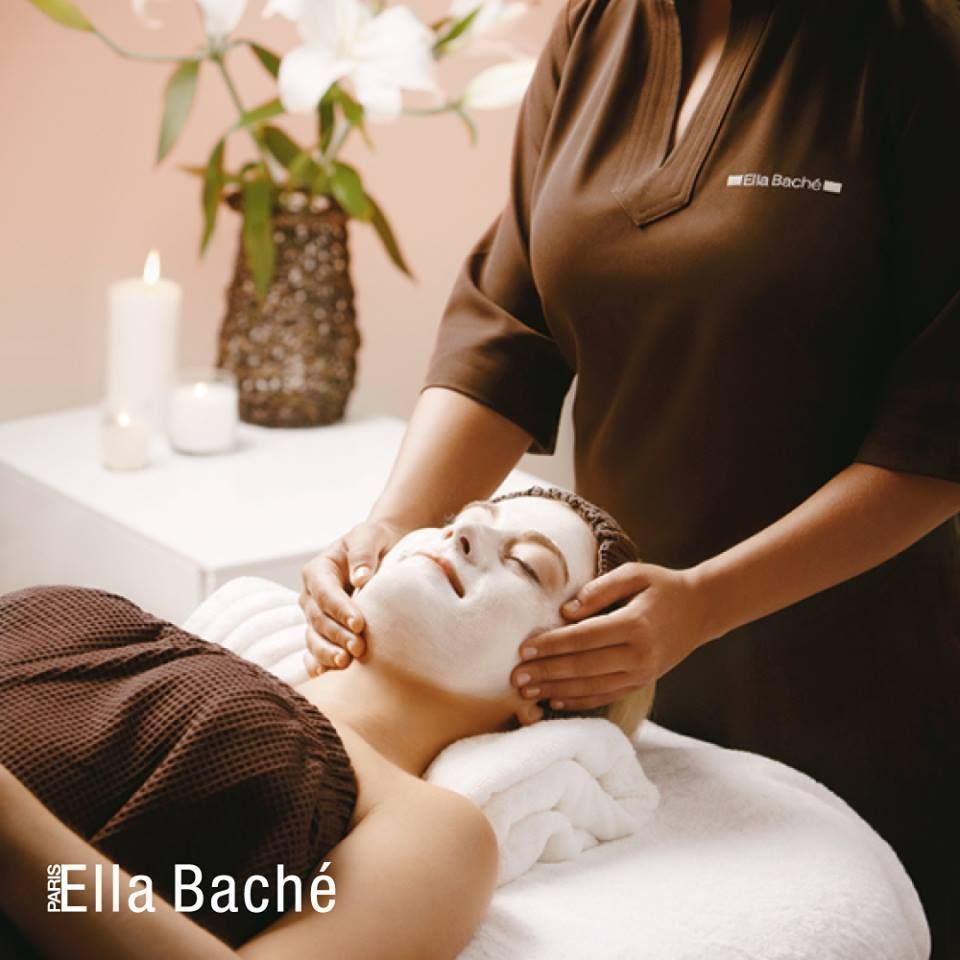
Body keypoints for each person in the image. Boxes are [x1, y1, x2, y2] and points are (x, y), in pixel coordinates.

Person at [299, 0, 960, 955]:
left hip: (847, 678)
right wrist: (395, 527)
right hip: (614, 670)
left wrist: (707, 602)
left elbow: (940, 429)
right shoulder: (597, 30)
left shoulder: (917, 48)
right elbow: (511, 325)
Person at [0, 487, 653, 959]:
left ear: (556, 694)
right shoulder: (128, 624)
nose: (465, 535)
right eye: (462, 519)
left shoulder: (428, 826)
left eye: (527, 565)